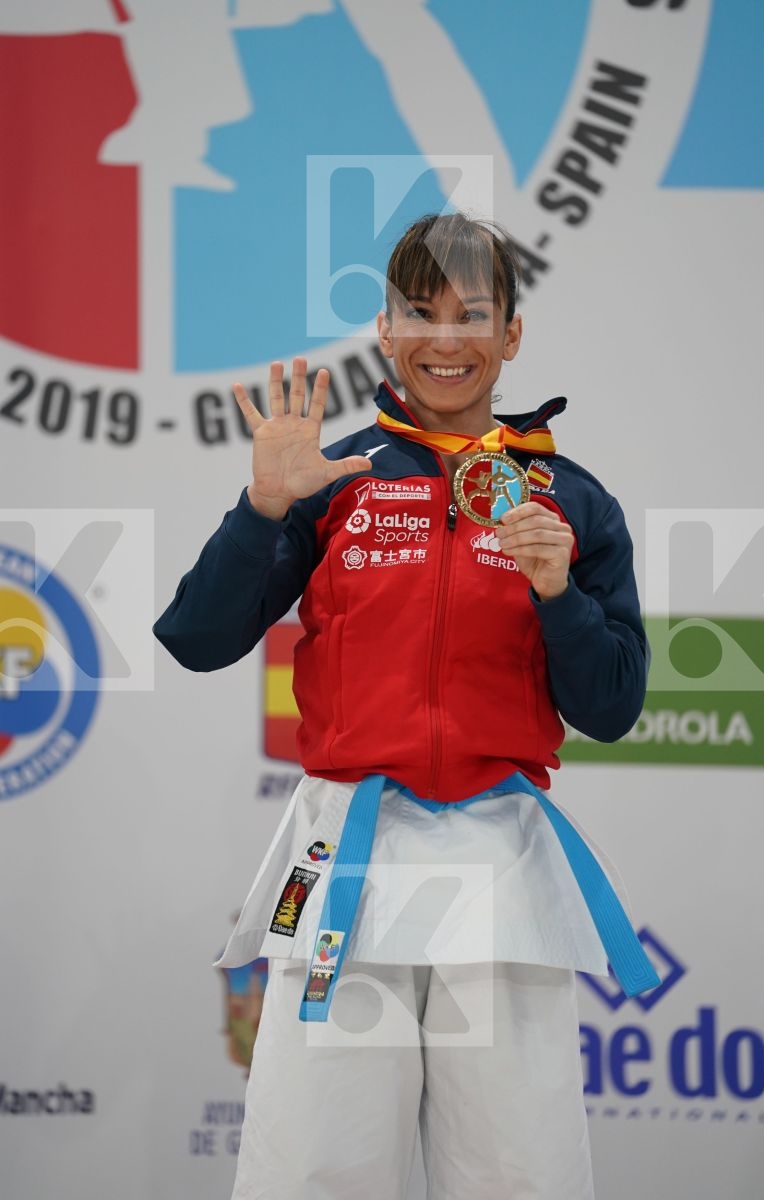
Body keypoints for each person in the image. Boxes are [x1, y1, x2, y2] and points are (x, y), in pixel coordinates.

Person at [154, 212, 656, 1200]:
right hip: (345, 852)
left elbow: (612, 706)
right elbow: (196, 639)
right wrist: (262, 509)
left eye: (472, 315)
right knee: (314, 1173)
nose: (444, 339)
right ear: (385, 331)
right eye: (419, 313)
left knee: (520, 1178)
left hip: (500, 867)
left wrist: (558, 596)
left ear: (511, 333)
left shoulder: (568, 499)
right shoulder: (329, 478)